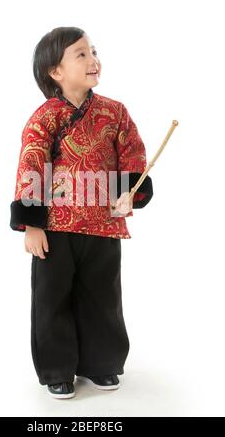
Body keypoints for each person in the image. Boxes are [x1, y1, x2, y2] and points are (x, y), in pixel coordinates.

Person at [10, 27, 153, 399]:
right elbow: (32, 164)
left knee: (102, 296)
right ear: (55, 72)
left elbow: (132, 154)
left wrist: (130, 194)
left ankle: (102, 364)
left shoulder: (114, 113)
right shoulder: (46, 117)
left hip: (104, 224)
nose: (93, 60)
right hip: (55, 229)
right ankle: (58, 369)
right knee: (52, 298)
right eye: (81, 54)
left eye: (93, 52)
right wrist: (31, 225)